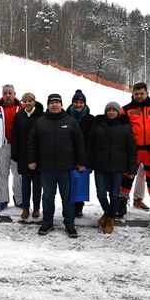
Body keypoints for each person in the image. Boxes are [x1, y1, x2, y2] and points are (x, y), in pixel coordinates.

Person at [27, 93, 86, 238]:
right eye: (52, 102)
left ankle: (69, 223)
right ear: (48, 105)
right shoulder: (40, 122)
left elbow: (79, 143)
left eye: (57, 102)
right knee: (47, 197)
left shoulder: (71, 122)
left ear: (61, 104)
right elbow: (32, 143)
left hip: (66, 168)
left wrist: (81, 162)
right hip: (46, 169)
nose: (54, 105)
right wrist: (31, 160)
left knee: (67, 198)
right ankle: (47, 222)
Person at [119, 82, 150, 218]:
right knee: (127, 177)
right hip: (133, 151)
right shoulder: (126, 110)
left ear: (147, 93)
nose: (139, 96)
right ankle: (121, 204)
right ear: (132, 94)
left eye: (142, 93)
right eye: (136, 94)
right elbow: (120, 130)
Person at [88, 102, 137, 234]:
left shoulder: (125, 127)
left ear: (118, 112)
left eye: (114, 110)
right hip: (100, 166)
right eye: (109, 110)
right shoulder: (97, 125)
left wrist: (132, 168)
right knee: (101, 194)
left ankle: (110, 219)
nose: (111, 113)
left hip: (118, 167)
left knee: (115, 195)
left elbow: (132, 149)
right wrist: (89, 163)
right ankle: (108, 212)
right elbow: (90, 145)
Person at [0, 84, 24, 211]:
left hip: (17, 147)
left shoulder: (21, 107)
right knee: (2, 174)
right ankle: (3, 200)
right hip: (2, 146)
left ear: (15, 94)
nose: (8, 95)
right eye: (5, 93)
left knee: (18, 174)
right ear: (2, 95)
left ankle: (19, 199)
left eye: (10, 93)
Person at [11, 93, 44, 219]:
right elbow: (15, 136)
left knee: (37, 184)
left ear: (34, 102)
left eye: (30, 101)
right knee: (25, 184)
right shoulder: (19, 116)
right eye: (25, 101)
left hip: (38, 156)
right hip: (23, 155)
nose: (28, 103)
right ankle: (25, 208)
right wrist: (15, 152)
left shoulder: (41, 115)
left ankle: (36, 208)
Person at [65, 89, 94, 218]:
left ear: (85, 104)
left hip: (84, 155)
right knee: (68, 184)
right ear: (72, 103)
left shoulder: (90, 119)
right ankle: (68, 207)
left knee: (80, 183)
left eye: (81, 102)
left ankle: (78, 208)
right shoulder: (66, 117)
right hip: (67, 155)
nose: (78, 105)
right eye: (76, 102)